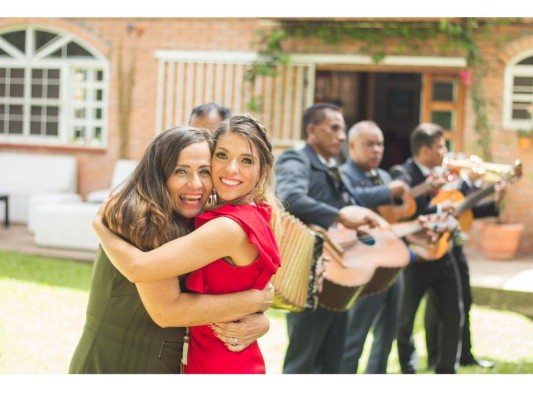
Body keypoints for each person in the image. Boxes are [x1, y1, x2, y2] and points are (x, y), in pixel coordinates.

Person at [69, 126, 273, 374]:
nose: (195, 184)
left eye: (204, 172)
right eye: (181, 171)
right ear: (159, 174)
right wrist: (252, 300)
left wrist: (260, 317)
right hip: (120, 361)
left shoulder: (200, 220)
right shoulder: (143, 218)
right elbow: (167, 311)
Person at [275, 103, 382, 374]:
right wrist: (341, 217)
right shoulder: (296, 159)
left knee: (334, 361)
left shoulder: (333, 165)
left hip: (339, 278)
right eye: (334, 128)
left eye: (343, 129)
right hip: (311, 276)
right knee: (302, 362)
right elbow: (290, 197)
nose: (342, 136)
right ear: (312, 130)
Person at [389, 122, 464, 374]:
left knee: (454, 314)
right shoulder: (403, 171)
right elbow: (402, 201)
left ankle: (446, 371)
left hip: (443, 255)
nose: (445, 151)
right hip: (415, 257)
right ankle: (408, 371)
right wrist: (431, 188)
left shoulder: (444, 175)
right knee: (405, 321)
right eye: (441, 146)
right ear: (424, 150)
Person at [338, 120, 409, 374]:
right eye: (370, 144)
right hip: (364, 265)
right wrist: (387, 192)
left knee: (388, 331)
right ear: (352, 145)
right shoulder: (343, 174)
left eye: (380, 144)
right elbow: (353, 199)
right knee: (355, 334)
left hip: (391, 261)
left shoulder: (384, 175)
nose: (377, 149)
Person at [424, 167, 505, 370]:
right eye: (440, 147)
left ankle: (465, 354)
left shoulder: (455, 181)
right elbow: (441, 204)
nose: (443, 151)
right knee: (436, 308)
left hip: (456, 249)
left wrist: (496, 199)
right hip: (436, 249)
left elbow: (468, 210)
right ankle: (434, 355)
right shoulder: (438, 177)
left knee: (463, 303)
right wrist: (469, 180)